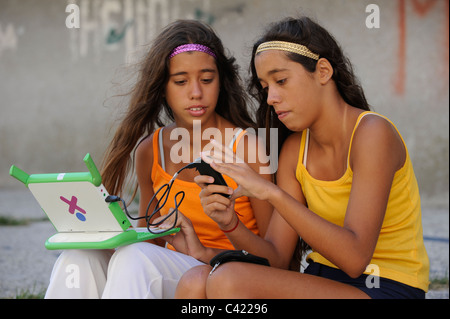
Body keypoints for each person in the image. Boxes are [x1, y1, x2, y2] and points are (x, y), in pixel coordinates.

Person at [173, 16, 430, 299]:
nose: (270, 98)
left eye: (281, 80)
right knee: (195, 282)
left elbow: (355, 259)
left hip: (386, 287)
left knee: (227, 281)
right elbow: (277, 260)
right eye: (265, 87)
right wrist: (229, 223)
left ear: (322, 71)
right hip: (322, 281)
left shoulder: (372, 134)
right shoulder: (296, 149)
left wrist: (271, 193)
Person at [44, 19, 272, 299]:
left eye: (207, 79)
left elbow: (274, 259)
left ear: (221, 82)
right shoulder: (150, 150)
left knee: (135, 258)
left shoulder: (248, 148)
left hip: (225, 276)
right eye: (180, 81)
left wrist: (207, 248)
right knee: (79, 258)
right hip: (173, 275)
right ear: (162, 87)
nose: (196, 92)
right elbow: (150, 240)